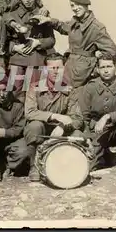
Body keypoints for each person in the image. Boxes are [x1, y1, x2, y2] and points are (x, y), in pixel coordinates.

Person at [36, 0, 116, 89]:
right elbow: (63, 27)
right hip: (70, 66)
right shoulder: (75, 22)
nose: (75, 8)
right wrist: (49, 20)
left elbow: (111, 51)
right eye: (73, 5)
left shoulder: (96, 27)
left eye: (79, 4)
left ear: (86, 5)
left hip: (83, 72)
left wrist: (95, 68)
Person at [24, 52, 84, 181]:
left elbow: (78, 118)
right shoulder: (35, 87)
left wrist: (63, 126)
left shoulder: (69, 89)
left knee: (78, 135)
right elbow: (29, 112)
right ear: (45, 70)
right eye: (52, 68)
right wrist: (54, 116)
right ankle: (34, 166)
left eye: (59, 68)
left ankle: (72, 167)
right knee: (34, 126)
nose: (56, 72)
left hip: (60, 131)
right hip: (42, 130)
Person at [78, 52, 116, 171]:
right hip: (98, 132)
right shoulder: (90, 87)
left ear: (115, 67)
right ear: (97, 69)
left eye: (109, 66)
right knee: (88, 166)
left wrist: (108, 116)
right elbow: (83, 116)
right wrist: (87, 138)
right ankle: (107, 156)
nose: (106, 70)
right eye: (102, 67)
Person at [4, 0, 56, 93]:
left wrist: (38, 42)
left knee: (35, 94)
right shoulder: (11, 16)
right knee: (14, 93)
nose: (28, 0)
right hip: (17, 60)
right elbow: (3, 40)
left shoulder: (42, 15)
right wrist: (14, 47)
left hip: (36, 60)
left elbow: (51, 40)